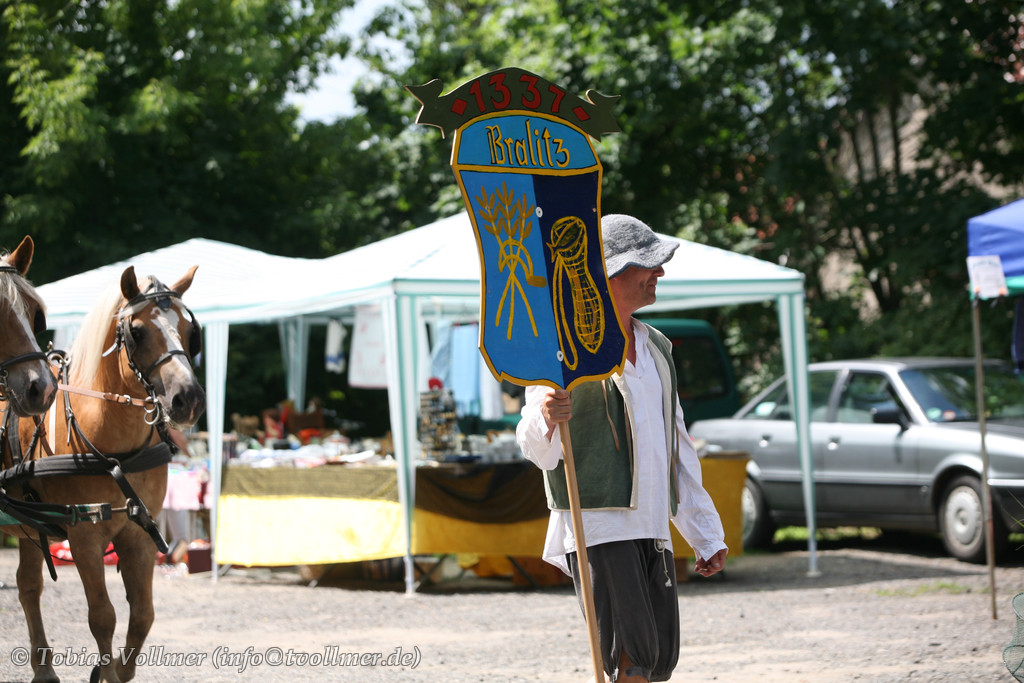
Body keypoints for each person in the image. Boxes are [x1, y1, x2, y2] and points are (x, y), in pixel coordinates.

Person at [516, 214, 728, 683]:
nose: (660, 273)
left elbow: (677, 447)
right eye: (647, 264)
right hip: (599, 523)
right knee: (630, 660)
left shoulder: (657, 348)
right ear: (608, 274)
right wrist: (547, 415)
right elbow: (534, 446)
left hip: (651, 522)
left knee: (658, 661)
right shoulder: (563, 347)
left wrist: (704, 532)